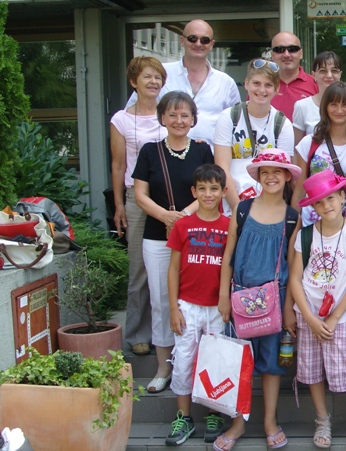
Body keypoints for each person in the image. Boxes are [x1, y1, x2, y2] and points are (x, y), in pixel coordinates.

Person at [214, 148, 301, 451]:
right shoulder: (242, 209)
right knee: (240, 363)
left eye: (277, 171)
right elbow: (228, 254)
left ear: (287, 176)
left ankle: (269, 421)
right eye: (265, 172)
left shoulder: (292, 218)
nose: (271, 177)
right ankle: (238, 422)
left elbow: (293, 265)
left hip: (275, 300)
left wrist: (289, 307)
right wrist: (224, 296)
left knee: (272, 363)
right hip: (240, 298)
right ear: (258, 176)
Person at [132, 91, 214, 395]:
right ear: (162, 118)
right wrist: (166, 217)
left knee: (196, 299)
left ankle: (197, 365)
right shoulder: (149, 151)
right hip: (158, 235)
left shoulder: (202, 150)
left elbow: (212, 189)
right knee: (161, 300)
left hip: (198, 235)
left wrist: (182, 217)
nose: (179, 120)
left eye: (185, 115)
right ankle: (164, 367)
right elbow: (140, 194)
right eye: (172, 114)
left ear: (193, 119)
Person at [288, 169, 346, 448]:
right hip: (308, 314)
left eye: (330, 198)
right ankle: (322, 419)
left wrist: (335, 316)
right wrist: (309, 316)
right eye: (319, 202)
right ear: (313, 207)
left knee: (343, 369)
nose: (326, 205)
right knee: (311, 370)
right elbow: (295, 278)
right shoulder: (305, 236)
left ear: (342, 197)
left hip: (337, 316)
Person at [164, 164, 230, 446]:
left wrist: (226, 300)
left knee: (215, 361)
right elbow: (172, 269)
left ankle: (214, 414)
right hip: (187, 305)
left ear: (224, 192)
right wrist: (173, 308)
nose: (208, 194)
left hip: (217, 308)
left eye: (214, 188)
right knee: (183, 360)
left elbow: (230, 266)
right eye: (202, 188)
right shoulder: (183, 225)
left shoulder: (229, 226)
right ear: (194, 192)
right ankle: (184, 417)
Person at [110, 56, 167, 356]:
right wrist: (119, 204)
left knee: (173, 266)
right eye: (147, 76)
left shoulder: (169, 114)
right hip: (137, 198)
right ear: (134, 81)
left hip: (170, 198)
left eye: (158, 77)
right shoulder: (121, 119)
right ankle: (137, 333)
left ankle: (169, 332)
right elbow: (118, 165)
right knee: (139, 269)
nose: (153, 82)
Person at [127, 20, 240, 143]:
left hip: (211, 153)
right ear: (182, 40)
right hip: (164, 153)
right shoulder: (160, 74)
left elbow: (238, 125)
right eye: (192, 38)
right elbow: (132, 115)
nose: (198, 44)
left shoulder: (226, 83)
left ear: (211, 44)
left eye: (204, 40)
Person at [213, 58, 294, 216]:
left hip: (268, 206)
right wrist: (239, 211)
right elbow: (222, 169)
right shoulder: (229, 117)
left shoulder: (282, 124)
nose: (261, 90)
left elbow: (282, 175)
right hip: (230, 204)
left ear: (277, 89)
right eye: (256, 83)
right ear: (246, 84)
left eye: (268, 85)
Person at [292, 81, 346, 227]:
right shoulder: (309, 143)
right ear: (325, 107)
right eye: (334, 104)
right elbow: (300, 189)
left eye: (345, 105)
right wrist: (292, 224)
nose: (339, 110)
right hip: (311, 222)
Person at [292, 51, 346, 146]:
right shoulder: (302, 106)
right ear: (313, 75)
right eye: (323, 71)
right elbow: (296, 148)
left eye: (334, 71)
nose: (329, 75)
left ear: (340, 74)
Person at [270, 31, 318, 119]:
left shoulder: (316, 85)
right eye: (280, 50)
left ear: (301, 53)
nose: (286, 54)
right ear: (272, 55)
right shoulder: (261, 87)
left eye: (292, 49)